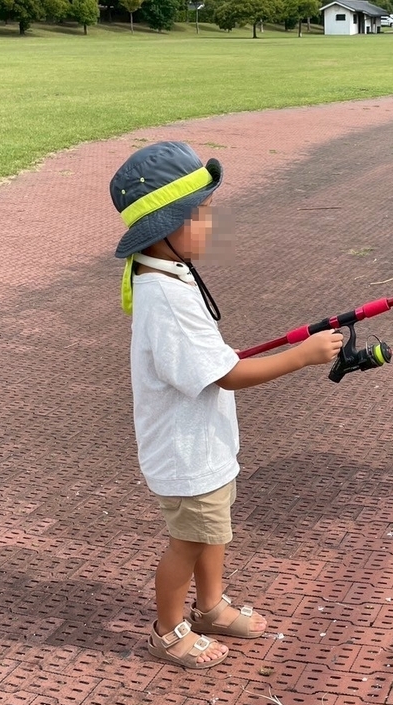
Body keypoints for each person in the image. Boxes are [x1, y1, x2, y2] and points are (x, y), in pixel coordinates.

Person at [109, 141, 344, 667]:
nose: (209, 226)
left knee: (214, 530)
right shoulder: (164, 295)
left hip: (204, 445)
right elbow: (230, 375)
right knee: (187, 543)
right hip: (185, 452)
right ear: (164, 225)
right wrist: (301, 356)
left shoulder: (169, 270)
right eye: (200, 216)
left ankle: (210, 607)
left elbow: (208, 358)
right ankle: (167, 630)